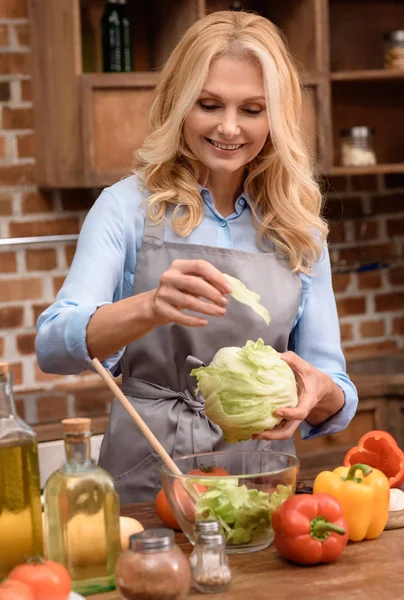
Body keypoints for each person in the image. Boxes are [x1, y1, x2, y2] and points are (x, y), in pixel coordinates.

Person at [36, 11, 358, 504]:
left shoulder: (299, 227)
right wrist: (149, 306)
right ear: (179, 105)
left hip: (260, 483)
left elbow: (332, 387)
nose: (229, 128)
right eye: (209, 105)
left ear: (277, 118)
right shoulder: (126, 208)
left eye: (252, 109)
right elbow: (53, 345)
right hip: (150, 483)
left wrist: (318, 393)